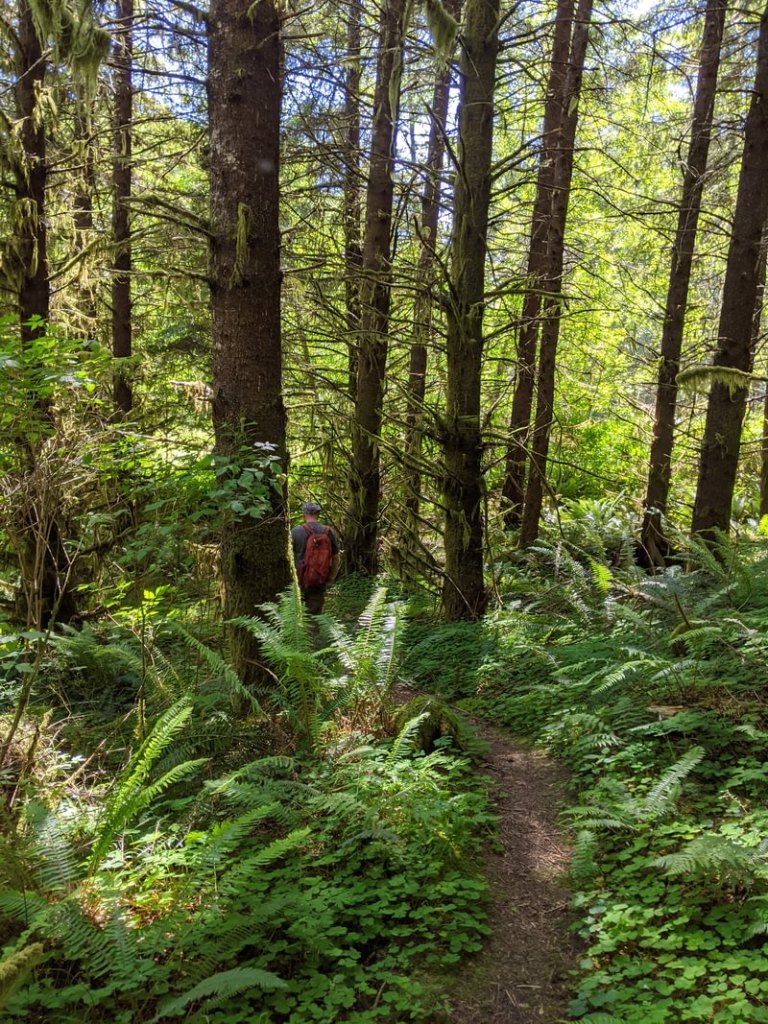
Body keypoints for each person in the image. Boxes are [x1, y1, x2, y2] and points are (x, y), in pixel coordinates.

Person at [291, 501, 340, 614]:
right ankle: (314, 631)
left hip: (299, 580)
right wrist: (331, 578)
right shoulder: (328, 532)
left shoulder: (295, 532)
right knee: (315, 616)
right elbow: (336, 557)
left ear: (304, 514)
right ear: (318, 515)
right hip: (319, 579)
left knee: (295, 614)